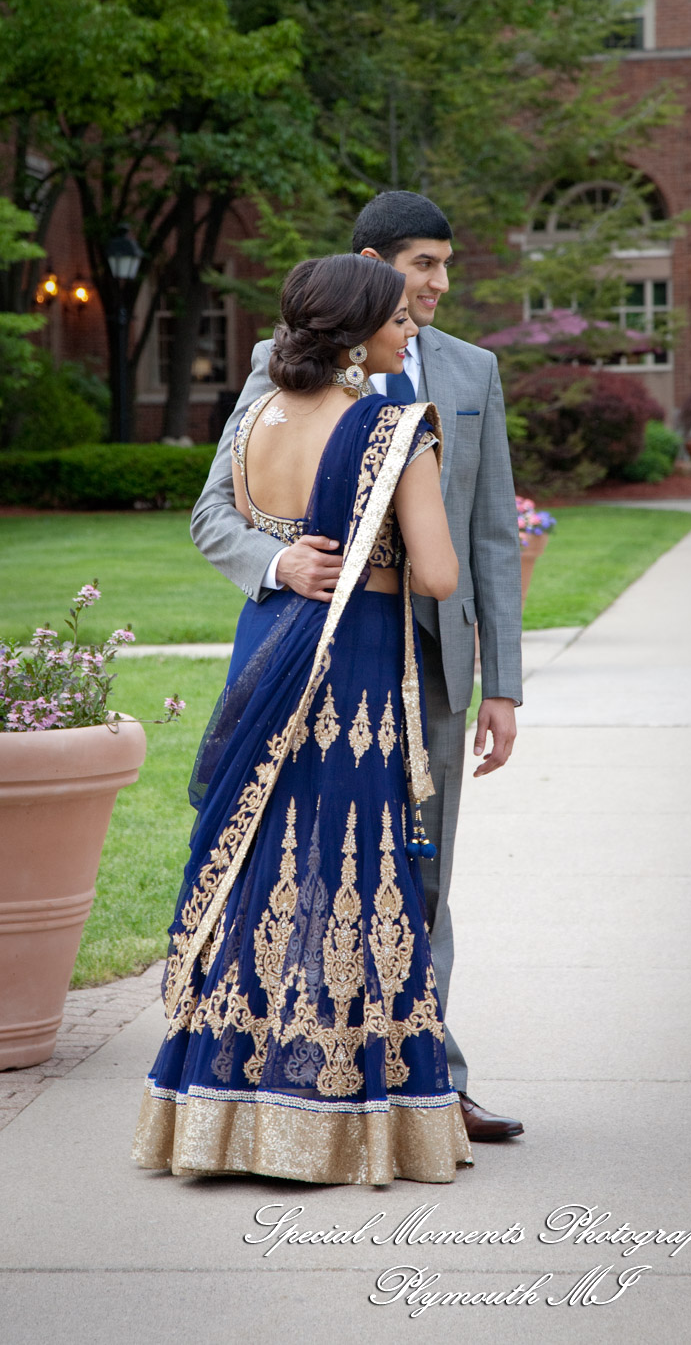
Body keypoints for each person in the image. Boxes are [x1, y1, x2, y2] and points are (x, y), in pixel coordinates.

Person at [190, 192, 524, 1142]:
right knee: (305, 865)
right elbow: (217, 511)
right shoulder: (276, 366)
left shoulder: (469, 370)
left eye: (446, 267)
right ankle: (321, 1076)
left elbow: (490, 536)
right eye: (423, 265)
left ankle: (430, 1080)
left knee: (420, 879)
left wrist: (500, 680)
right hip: (318, 663)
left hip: (431, 667)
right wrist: (278, 562)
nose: (438, 286)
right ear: (377, 263)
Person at [133, 253, 472, 1184]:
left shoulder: (259, 414)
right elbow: (438, 576)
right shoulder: (391, 425)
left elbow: (230, 510)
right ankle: (344, 1113)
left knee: (255, 862)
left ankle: (219, 1114)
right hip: (349, 663)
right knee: (349, 866)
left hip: (265, 651)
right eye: (398, 318)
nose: (411, 332)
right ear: (360, 329)